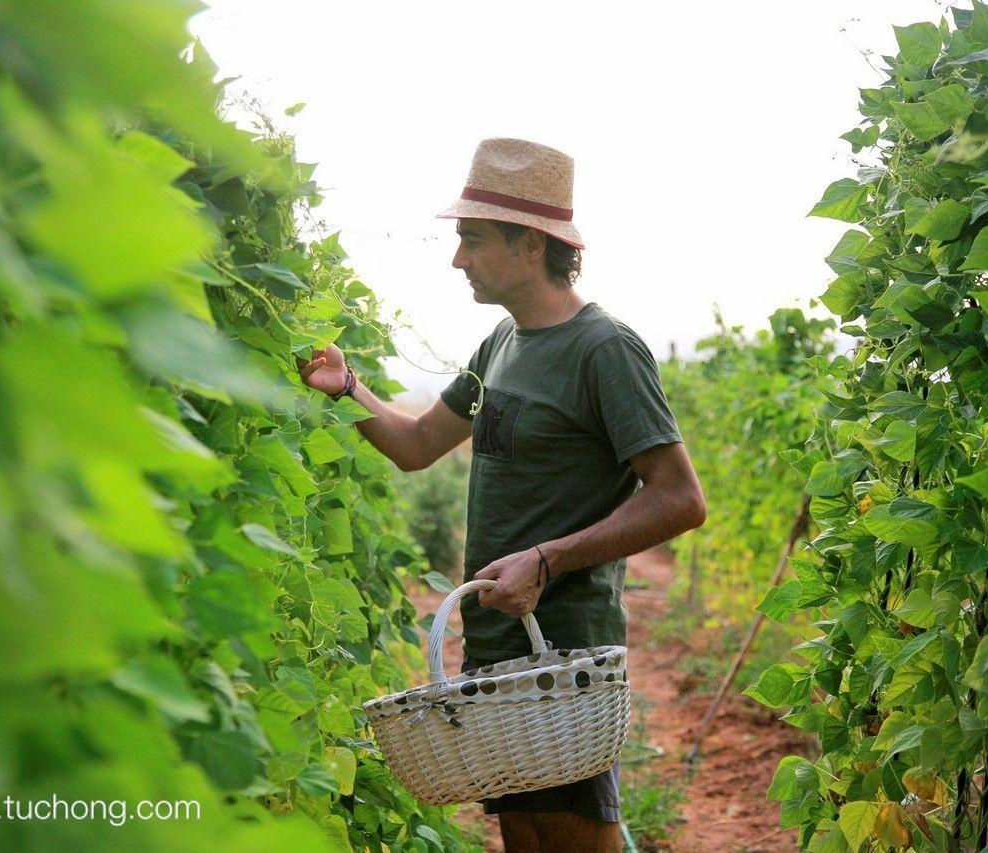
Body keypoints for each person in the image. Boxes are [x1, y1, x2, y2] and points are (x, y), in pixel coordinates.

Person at [297, 137, 706, 853]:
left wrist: (546, 561)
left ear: (529, 244)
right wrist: (350, 389)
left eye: (473, 240)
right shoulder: (500, 343)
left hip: (562, 650)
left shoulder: (604, 349)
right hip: (494, 639)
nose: (459, 259)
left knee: (575, 832)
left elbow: (679, 498)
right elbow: (419, 444)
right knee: (526, 833)